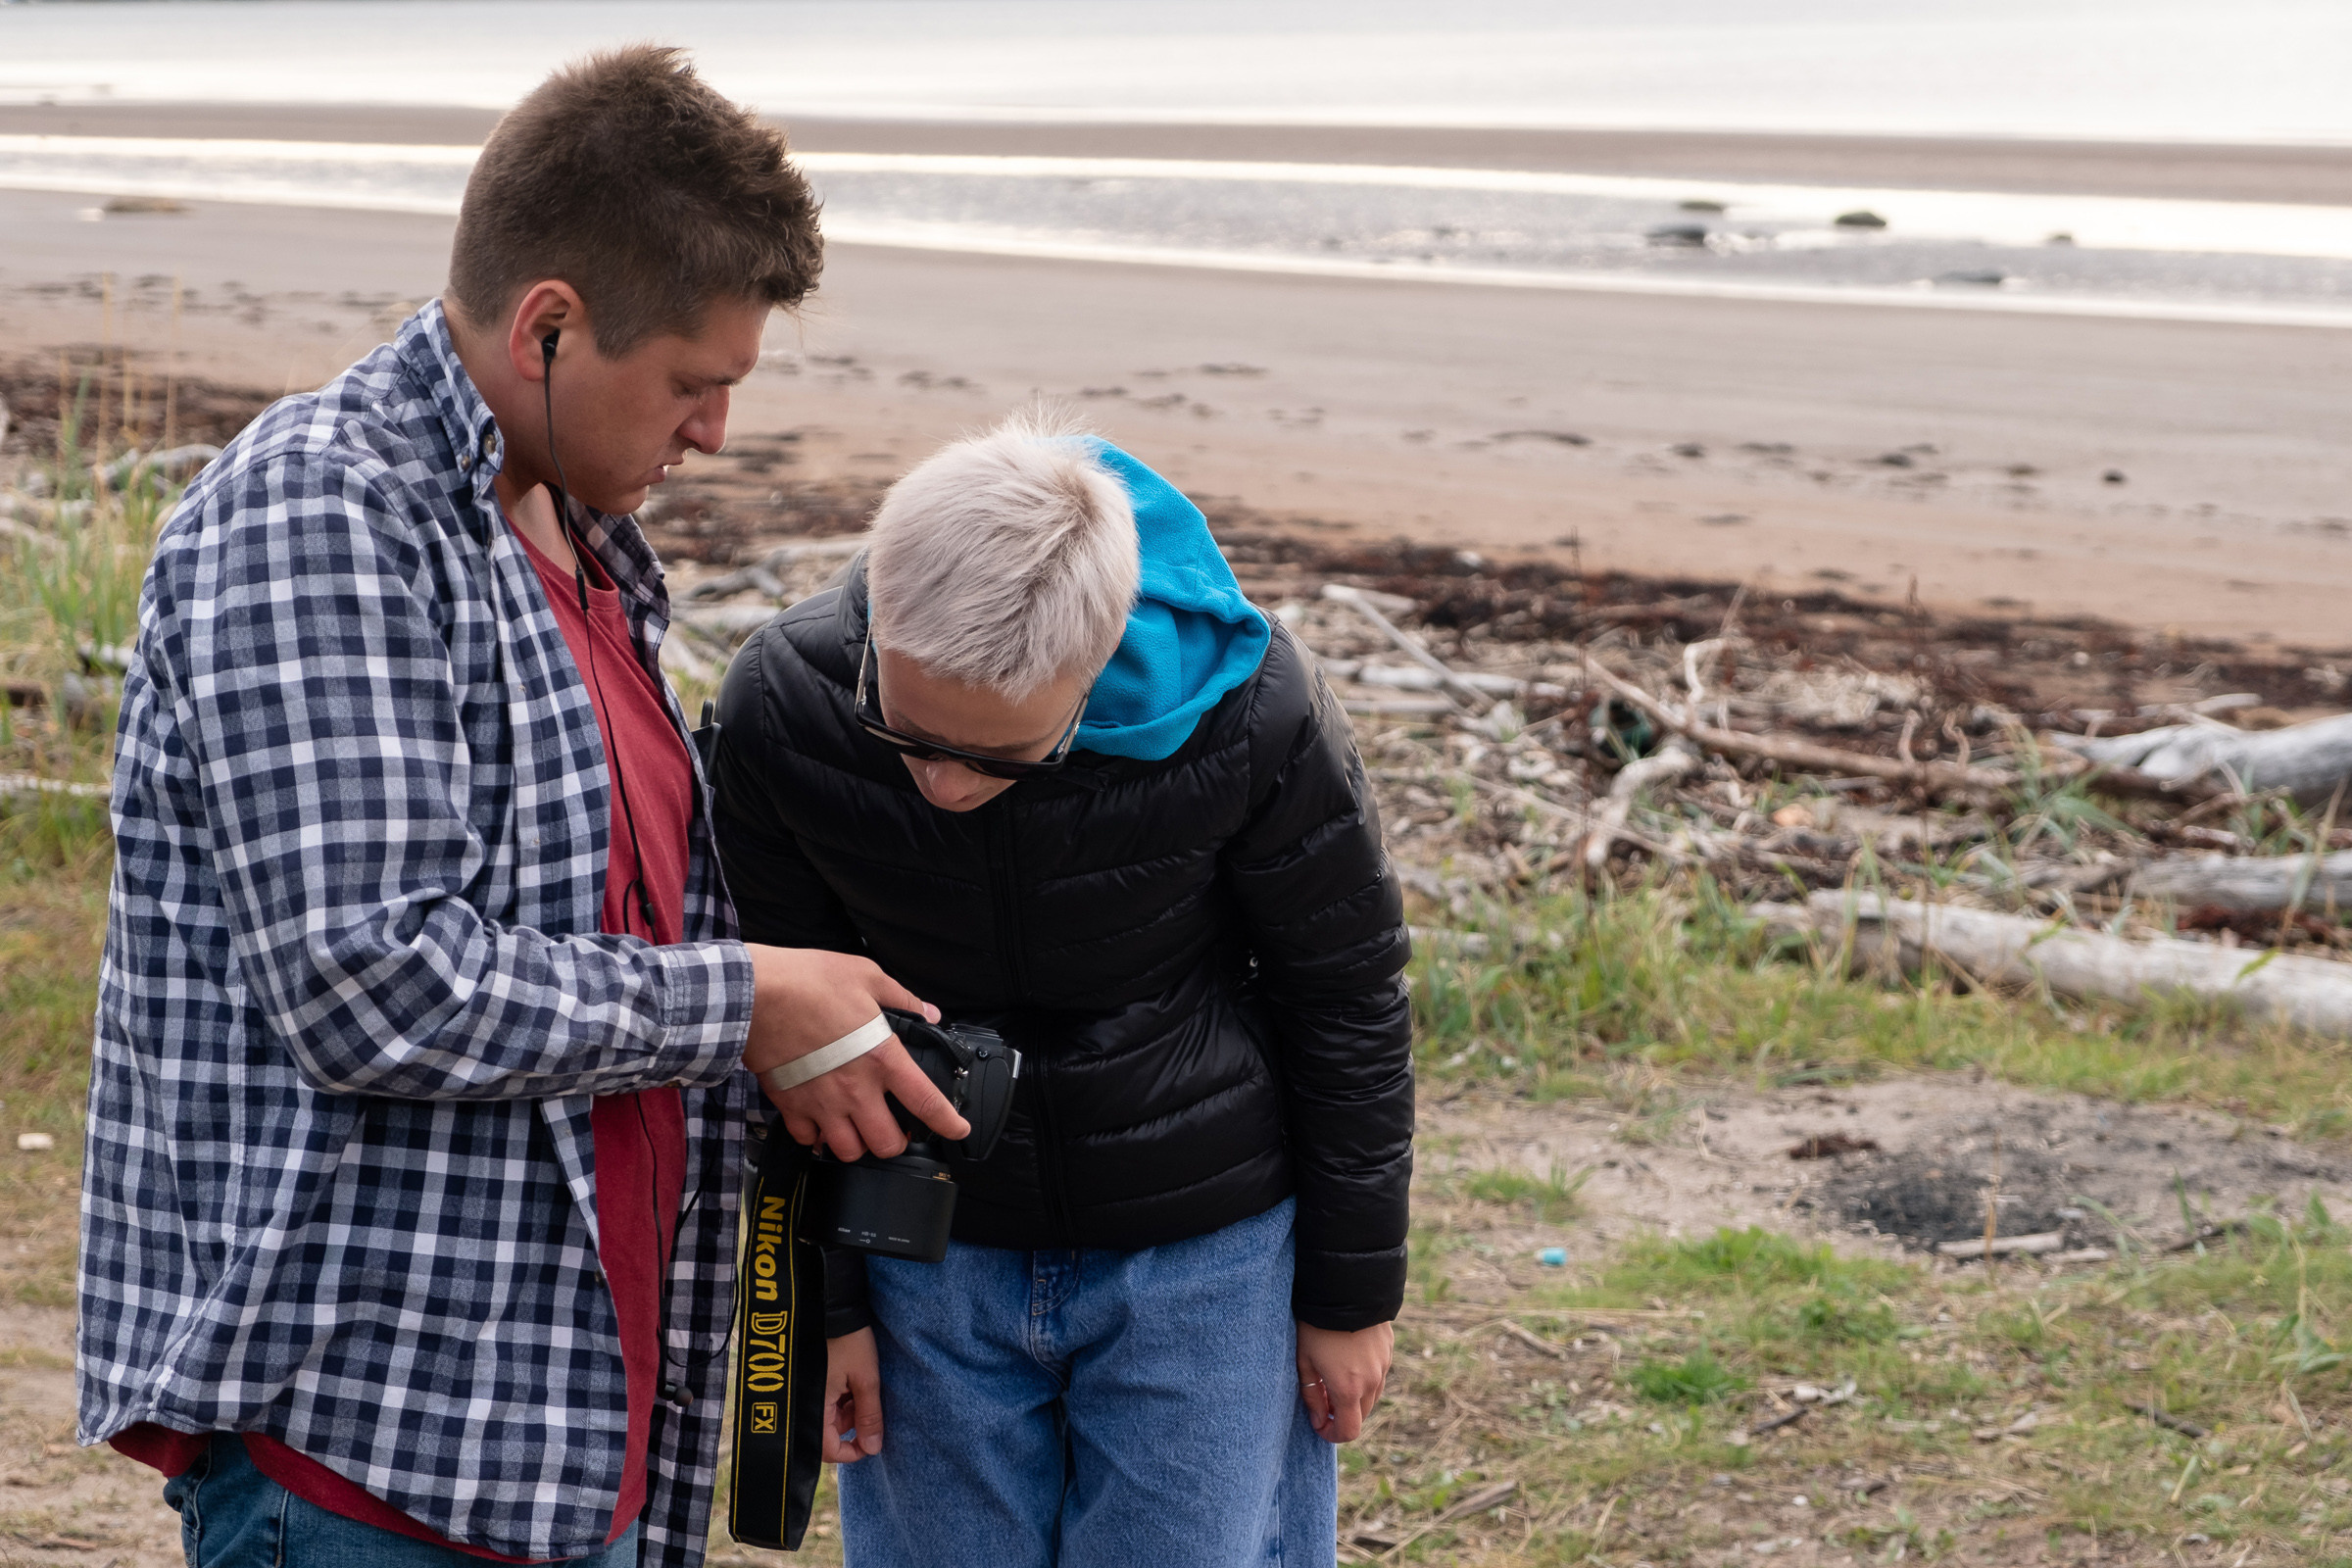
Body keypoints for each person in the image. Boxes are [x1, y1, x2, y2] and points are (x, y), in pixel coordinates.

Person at [77, 47, 968, 1568]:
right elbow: (366, 979)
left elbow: (616, 931)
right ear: (549, 324)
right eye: (696, 383)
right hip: (375, 1457)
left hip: (574, 1442)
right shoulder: (322, 512)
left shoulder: (582, 540)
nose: (715, 435)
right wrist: (744, 999)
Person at [710, 411, 1415, 1565]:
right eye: (906, 732)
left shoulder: (1252, 709)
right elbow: (790, 1046)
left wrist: (1349, 1294)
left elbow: (1346, 1000)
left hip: (1205, 1257)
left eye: (996, 759)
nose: (939, 785)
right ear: (882, 621)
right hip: (924, 1259)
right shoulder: (784, 707)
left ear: (1091, 681)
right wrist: (826, 1309)